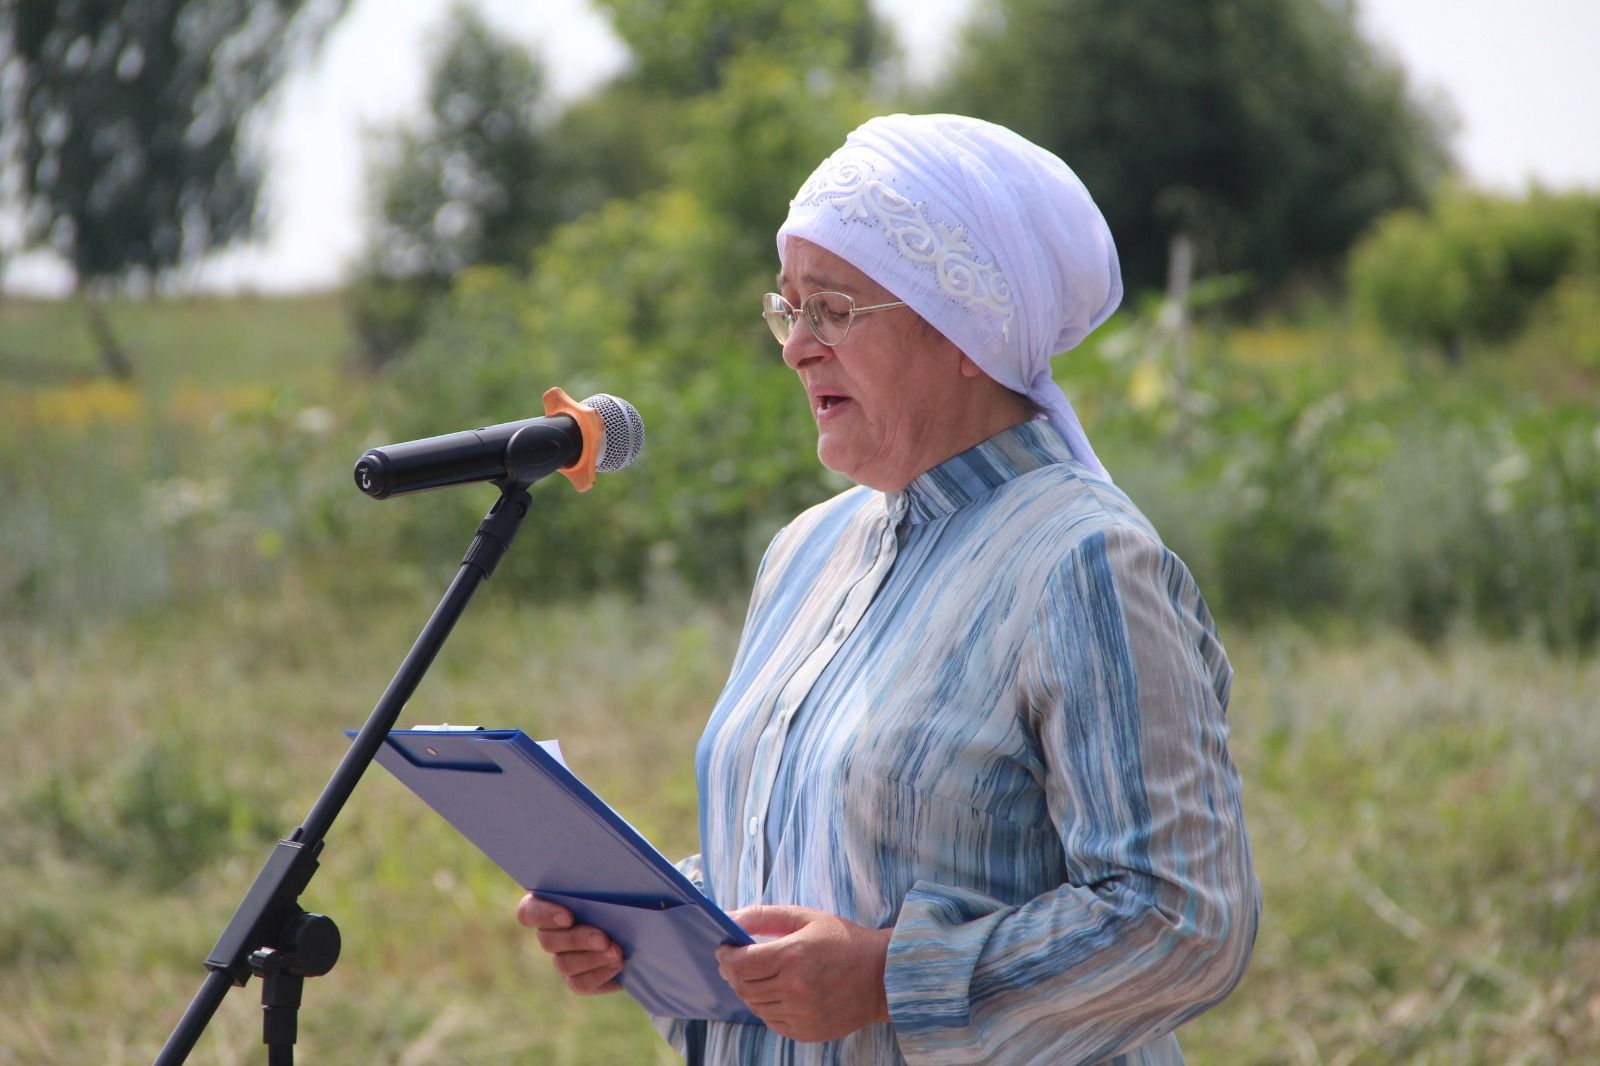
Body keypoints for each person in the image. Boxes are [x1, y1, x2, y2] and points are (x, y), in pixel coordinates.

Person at [518, 113, 1259, 1064]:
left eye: (833, 308)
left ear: (968, 333)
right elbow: (817, 864)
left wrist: (884, 978)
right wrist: (641, 921)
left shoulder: (1084, 562)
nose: (796, 346)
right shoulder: (806, 551)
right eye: (788, 308)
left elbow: (1183, 922)